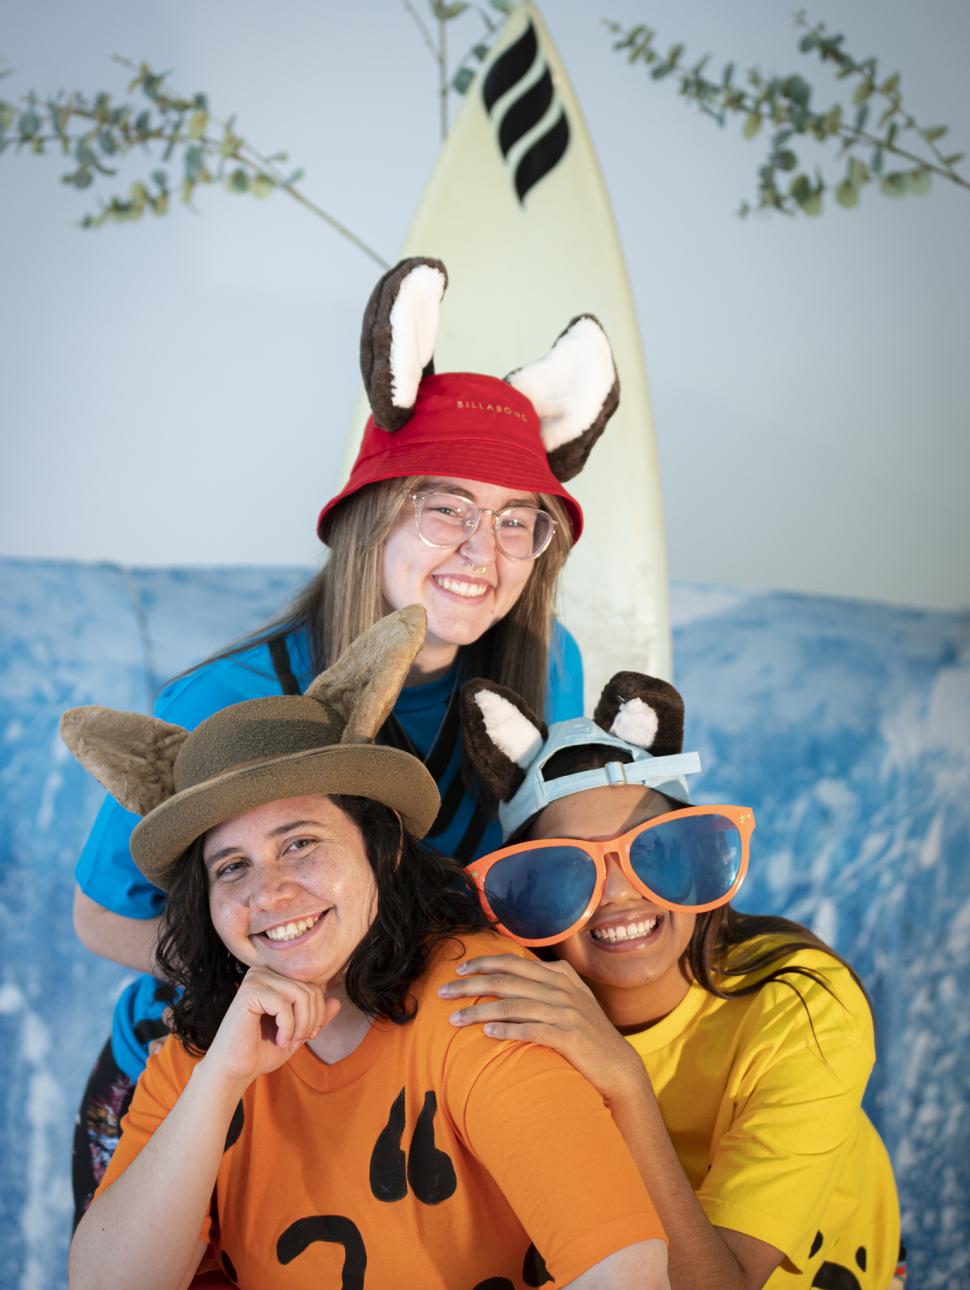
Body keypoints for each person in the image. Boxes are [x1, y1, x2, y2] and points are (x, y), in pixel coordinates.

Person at [70, 256, 621, 1223]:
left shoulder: (546, 668)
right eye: (445, 507)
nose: (480, 552)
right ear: (371, 515)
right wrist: (288, 957)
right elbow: (99, 919)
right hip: (207, 1093)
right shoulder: (226, 700)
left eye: (514, 522)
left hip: (417, 1093)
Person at [61, 609, 669, 1290]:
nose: (270, 891)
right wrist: (220, 1080)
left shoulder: (480, 1004)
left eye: (301, 843)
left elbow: (627, 1271)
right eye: (232, 866)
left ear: (382, 850)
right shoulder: (200, 1047)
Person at [437, 670, 903, 1289]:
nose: (622, 894)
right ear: (526, 898)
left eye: (658, 851)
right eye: (565, 871)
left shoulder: (802, 1006)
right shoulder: (510, 1019)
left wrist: (623, 1079)